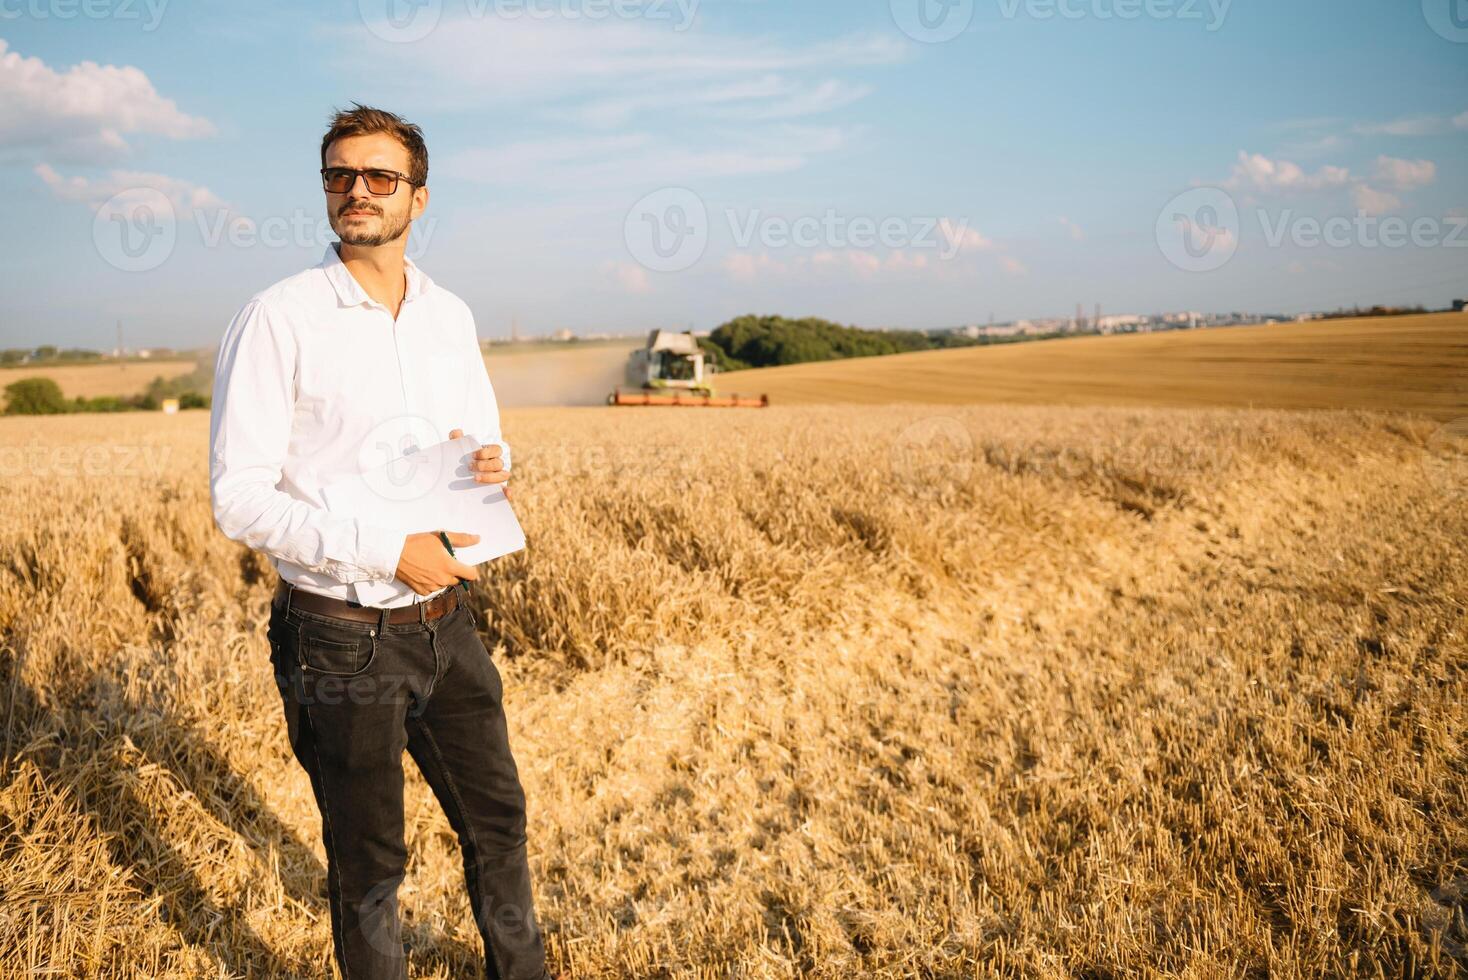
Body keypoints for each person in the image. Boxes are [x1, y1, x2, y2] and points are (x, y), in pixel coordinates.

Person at [208, 103, 550, 980]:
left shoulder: (449, 314)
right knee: (370, 865)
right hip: (339, 633)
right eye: (339, 176)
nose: (357, 191)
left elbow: (479, 442)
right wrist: (384, 547)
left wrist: (489, 465)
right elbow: (238, 499)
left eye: (379, 177)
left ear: (419, 199)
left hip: (447, 620)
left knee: (499, 823)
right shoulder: (278, 317)